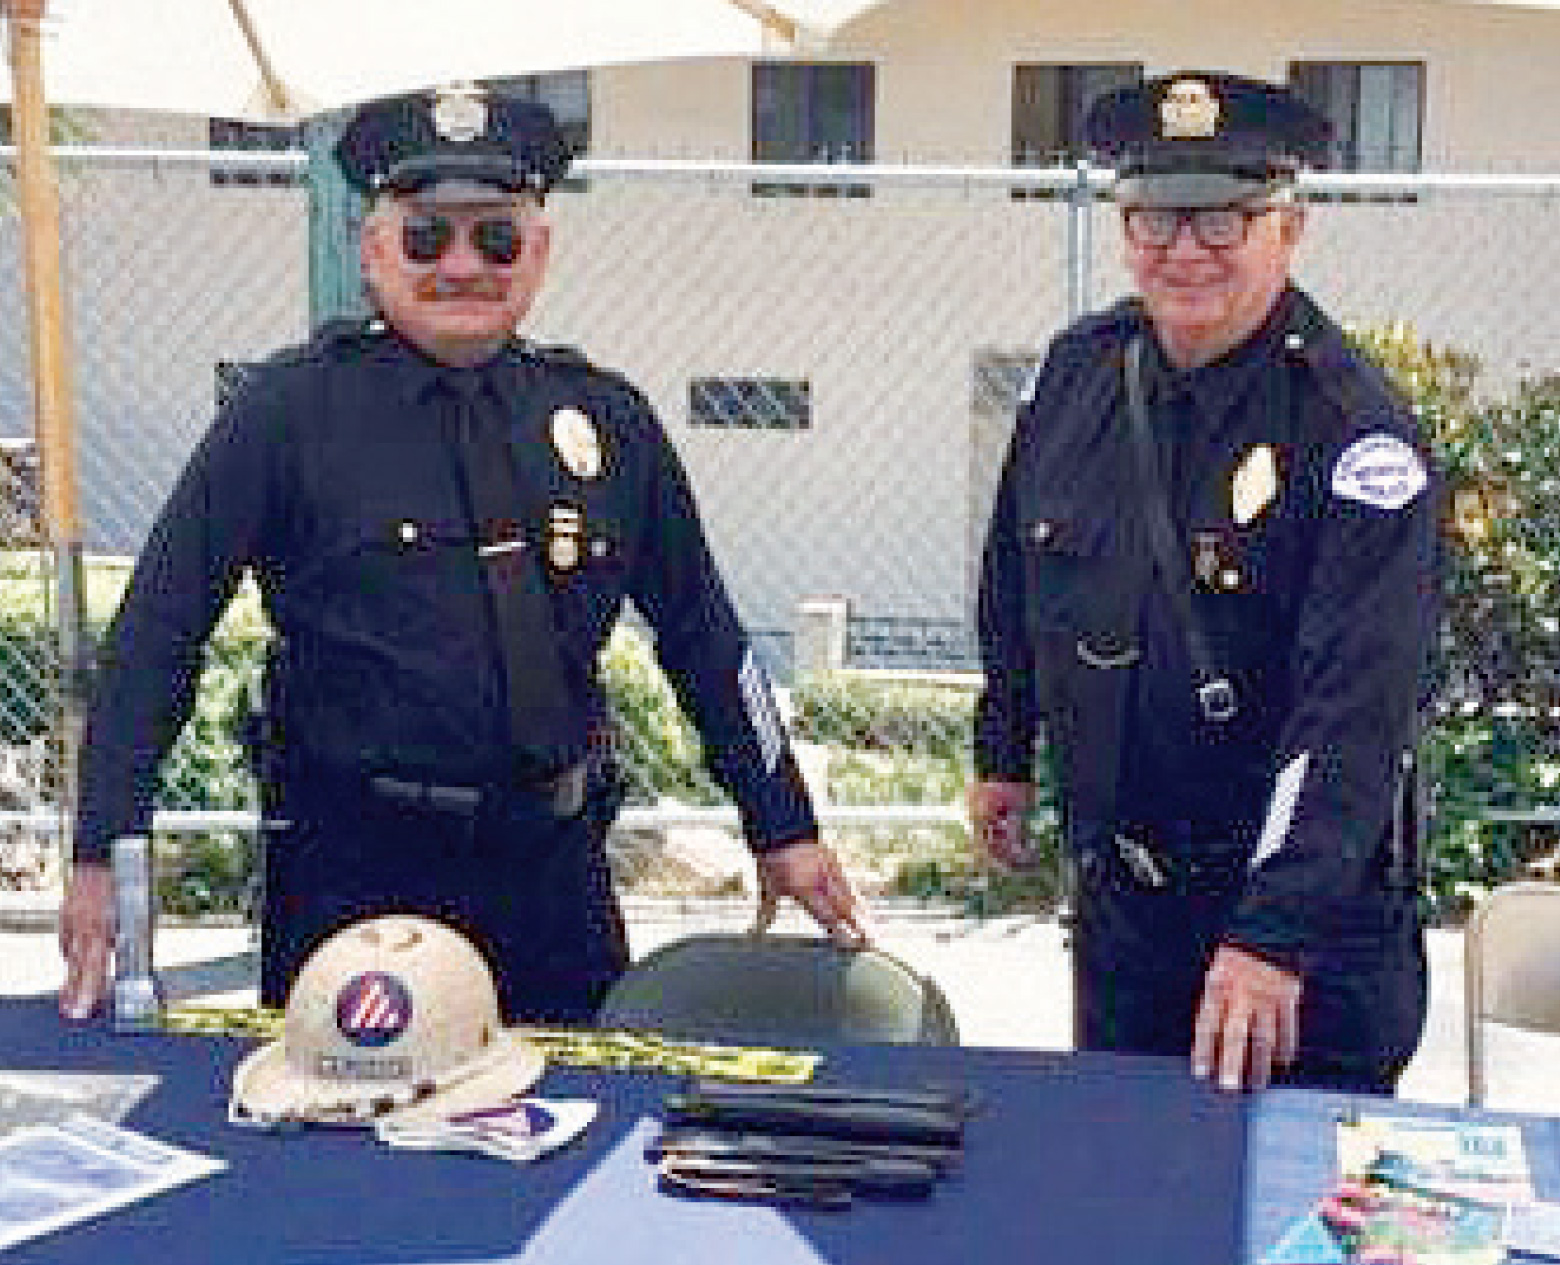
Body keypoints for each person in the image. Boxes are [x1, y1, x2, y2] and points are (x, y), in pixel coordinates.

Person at [59, 85, 866, 1025]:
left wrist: (784, 826)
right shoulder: (286, 417)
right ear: (371, 251)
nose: (461, 265)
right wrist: (101, 847)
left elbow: (706, 637)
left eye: (495, 238)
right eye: (426, 237)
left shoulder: (608, 420)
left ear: (539, 253)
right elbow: (159, 635)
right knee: (348, 1145)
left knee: (566, 1137)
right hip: (356, 876)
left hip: (554, 875)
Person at [969, 71, 1439, 1094]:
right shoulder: (1078, 375)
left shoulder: (1356, 433)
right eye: (1156, 217)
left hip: (1302, 941)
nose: (1186, 250)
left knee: (1290, 1239)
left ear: (1291, 224)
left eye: (1225, 217)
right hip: (1128, 921)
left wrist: (1271, 934)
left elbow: (1354, 713)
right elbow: (1016, 573)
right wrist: (1004, 746)